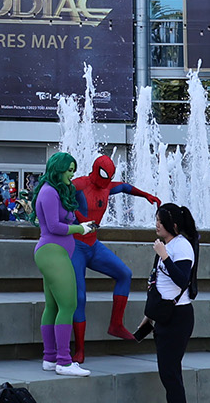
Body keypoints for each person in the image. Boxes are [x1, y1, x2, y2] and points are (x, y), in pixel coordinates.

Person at [67, 154, 161, 362]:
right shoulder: (79, 184)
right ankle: (79, 349)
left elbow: (125, 187)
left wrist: (147, 195)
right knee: (79, 298)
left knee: (124, 274)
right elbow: (60, 199)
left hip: (93, 245)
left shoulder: (107, 186)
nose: (105, 183)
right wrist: (75, 216)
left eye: (109, 179)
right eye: (104, 178)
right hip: (76, 247)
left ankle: (116, 324)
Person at [131, 203, 199, 403]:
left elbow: (181, 281)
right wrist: (150, 315)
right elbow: (160, 283)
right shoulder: (167, 246)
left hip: (178, 317)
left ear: (173, 225)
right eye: (157, 220)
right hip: (165, 316)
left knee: (170, 375)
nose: (157, 225)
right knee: (168, 373)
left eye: (161, 221)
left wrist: (165, 257)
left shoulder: (182, 246)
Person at [33, 152, 93, 377]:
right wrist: (80, 229)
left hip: (54, 253)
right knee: (69, 305)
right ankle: (64, 362)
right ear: (58, 169)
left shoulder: (53, 191)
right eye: (69, 170)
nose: (72, 174)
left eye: (73, 170)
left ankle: (50, 358)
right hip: (52, 253)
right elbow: (54, 226)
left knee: (54, 306)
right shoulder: (49, 192)